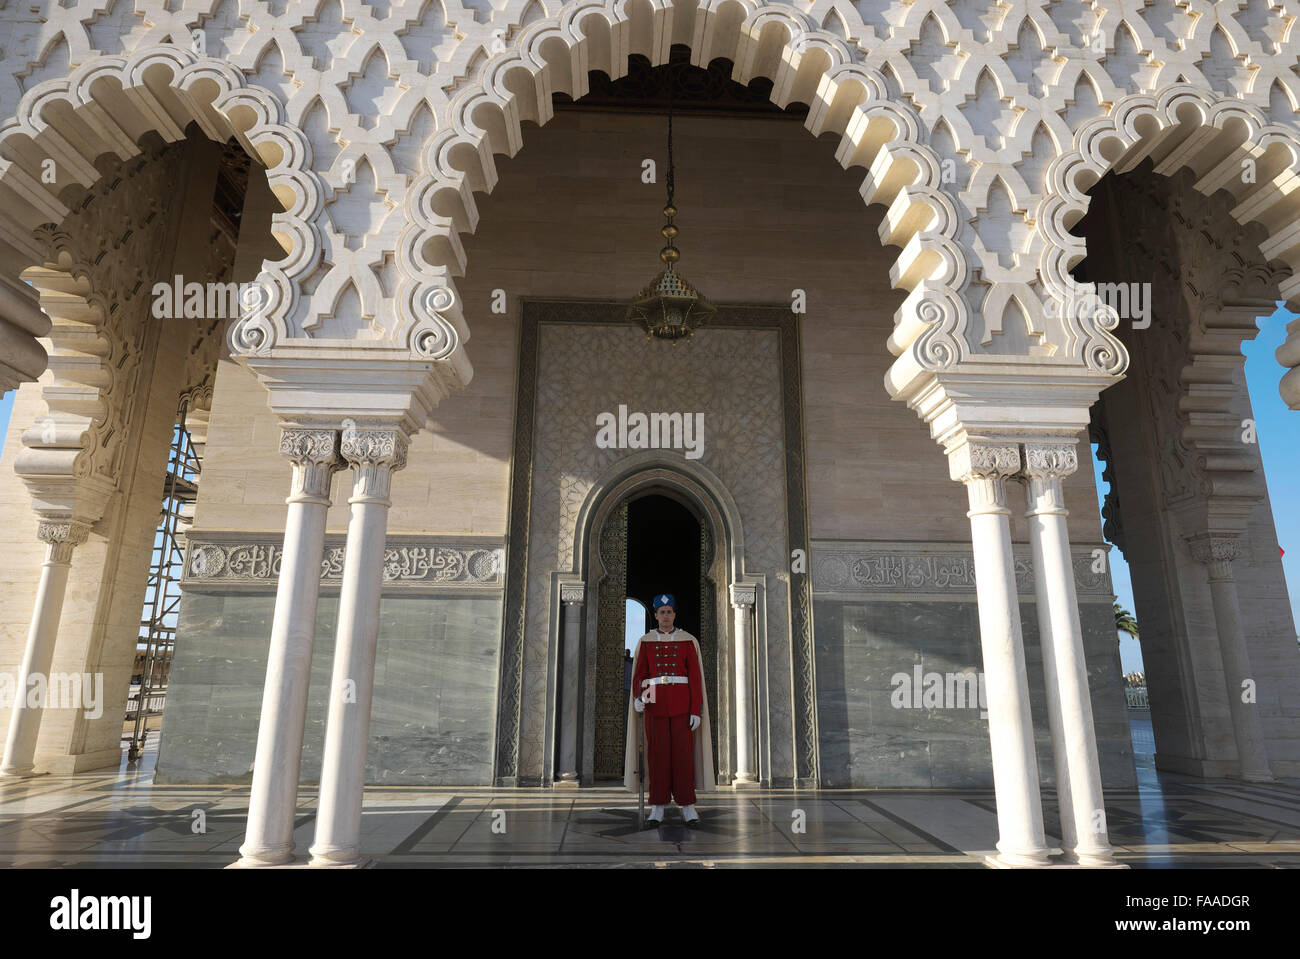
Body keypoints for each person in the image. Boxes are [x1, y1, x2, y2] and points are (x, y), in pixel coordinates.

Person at [623, 593, 713, 826]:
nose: (666, 616)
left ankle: (688, 806)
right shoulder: (646, 641)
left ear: (674, 614)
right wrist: (640, 698)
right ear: (655, 615)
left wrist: (696, 710)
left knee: (683, 758)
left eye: (669, 612)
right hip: (655, 707)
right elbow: (642, 675)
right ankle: (658, 807)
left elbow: (694, 678)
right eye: (662, 612)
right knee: (658, 758)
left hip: (682, 707)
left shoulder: (687, 640)